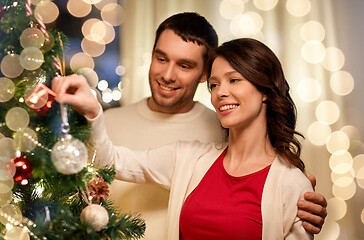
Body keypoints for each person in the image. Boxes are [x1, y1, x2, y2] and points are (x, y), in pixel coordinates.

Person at [52, 13, 326, 239]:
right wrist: (93, 110)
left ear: (265, 89)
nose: (220, 92)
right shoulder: (190, 157)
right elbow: (112, 159)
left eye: (234, 80)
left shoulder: (290, 183)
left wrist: (300, 192)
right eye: (216, 85)